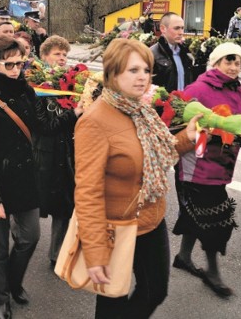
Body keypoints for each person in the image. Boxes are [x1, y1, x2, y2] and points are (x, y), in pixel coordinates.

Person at [74, 38, 200, 318]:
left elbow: (159, 152)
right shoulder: (94, 122)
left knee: (156, 291)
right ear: (112, 73)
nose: (143, 76)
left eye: (146, 69)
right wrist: (95, 252)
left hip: (150, 219)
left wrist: (187, 139)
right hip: (115, 227)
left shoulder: (141, 109)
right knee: (112, 300)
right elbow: (88, 191)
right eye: (133, 70)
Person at [0, 36, 78, 319]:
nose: (16, 69)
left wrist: (75, 113)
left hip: (24, 180)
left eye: (20, 63)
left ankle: (13, 282)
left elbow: (43, 126)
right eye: (9, 64)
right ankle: (1, 298)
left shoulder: (27, 92)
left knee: (30, 237)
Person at [172, 42, 241, 298]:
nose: (234, 66)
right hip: (197, 167)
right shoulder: (198, 90)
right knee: (217, 221)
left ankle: (183, 257)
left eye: (238, 62)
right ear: (215, 63)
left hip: (222, 168)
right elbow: (175, 123)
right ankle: (213, 272)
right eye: (229, 61)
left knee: (195, 214)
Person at [36, 35, 82, 266]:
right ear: (44, 57)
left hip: (68, 153)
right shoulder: (37, 84)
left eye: (64, 54)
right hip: (44, 154)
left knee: (65, 207)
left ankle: (57, 255)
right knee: (36, 202)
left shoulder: (73, 82)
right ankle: (21, 237)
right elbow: (44, 126)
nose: (62, 58)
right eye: (57, 54)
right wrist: (73, 114)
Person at [150, 12, 196, 92]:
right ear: (163, 29)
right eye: (176, 28)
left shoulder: (186, 54)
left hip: (184, 102)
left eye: (182, 28)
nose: (181, 32)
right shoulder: (151, 54)